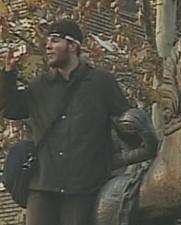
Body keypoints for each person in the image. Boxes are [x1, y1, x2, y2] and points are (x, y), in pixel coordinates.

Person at [0, 19, 130, 225]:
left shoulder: (101, 83)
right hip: (42, 187)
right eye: (47, 42)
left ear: (73, 46)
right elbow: (11, 109)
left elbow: (126, 122)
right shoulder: (40, 86)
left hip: (83, 187)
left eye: (55, 41)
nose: (48, 46)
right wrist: (8, 74)